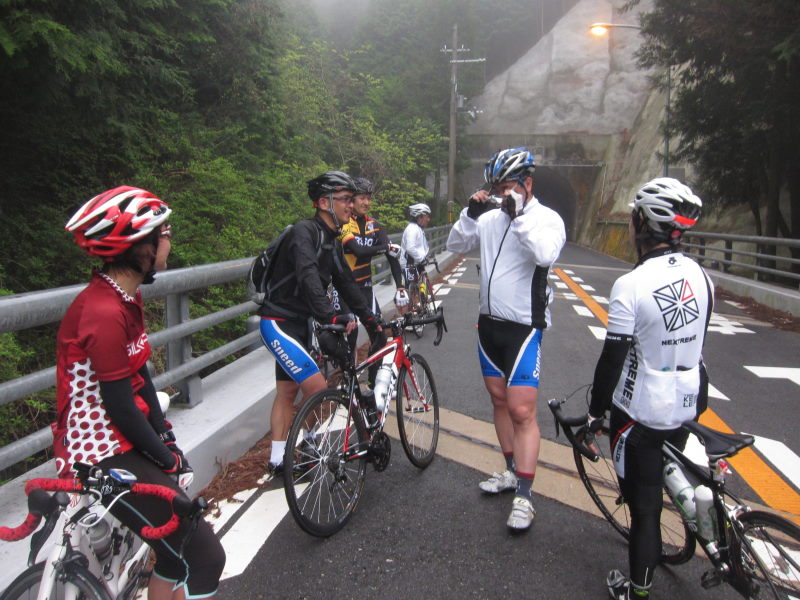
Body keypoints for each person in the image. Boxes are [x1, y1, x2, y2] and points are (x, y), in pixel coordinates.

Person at [56, 186, 225, 600]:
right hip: (101, 450)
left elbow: (141, 376)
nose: (169, 240)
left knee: (172, 556)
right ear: (139, 245)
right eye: (163, 232)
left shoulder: (125, 295)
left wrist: (165, 436)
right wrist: (165, 459)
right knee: (204, 557)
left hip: (123, 437)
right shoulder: (102, 311)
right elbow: (119, 407)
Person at [585, 178, 712, 600]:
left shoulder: (632, 284)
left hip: (640, 412)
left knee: (644, 510)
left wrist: (593, 414)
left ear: (640, 222)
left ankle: (636, 589)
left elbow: (612, 361)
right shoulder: (702, 276)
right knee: (670, 461)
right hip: (689, 402)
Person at [446, 147, 566, 531]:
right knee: (498, 401)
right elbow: (455, 245)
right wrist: (471, 213)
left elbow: (545, 255)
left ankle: (526, 498)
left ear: (527, 184)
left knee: (522, 411)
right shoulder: (491, 218)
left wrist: (517, 218)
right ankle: (512, 471)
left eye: (508, 186)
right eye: (496, 187)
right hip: (489, 324)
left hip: (524, 326)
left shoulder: (547, 219)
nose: (501, 193)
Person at [257, 171, 379, 475]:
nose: (351, 205)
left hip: (302, 325)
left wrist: (371, 319)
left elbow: (346, 282)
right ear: (324, 202)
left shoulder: (332, 240)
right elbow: (308, 276)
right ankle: (306, 446)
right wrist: (330, 315)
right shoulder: (304, 232)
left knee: (286, 393)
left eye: (352, 199)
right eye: (346, 199)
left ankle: (278, 461)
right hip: (278, 323)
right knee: (317, 388)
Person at [338, 177, 407, 383]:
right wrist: (385, 247)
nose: (366, 203)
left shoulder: (374, 226)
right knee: (351, 333)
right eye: (361, 198)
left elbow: (392, 256)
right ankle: (347, 382)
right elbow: (357, 251)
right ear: (352, 199)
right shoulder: (344, 222)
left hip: (365, 288)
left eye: (369, 198)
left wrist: (400, 287)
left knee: (378, 334)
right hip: (343, 288)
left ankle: (372, 381)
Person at [400, 202, 432, 314]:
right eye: (427, 216)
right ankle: (409, 316)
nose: (428, 219)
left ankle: (421, 303)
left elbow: (420, 246)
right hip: (410, 264)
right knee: (411, 291)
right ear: (419, 217)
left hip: (416, 262)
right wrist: (421, 259)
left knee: (418, 286)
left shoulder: (417, 228)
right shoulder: (412, 229)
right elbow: (410, 248)